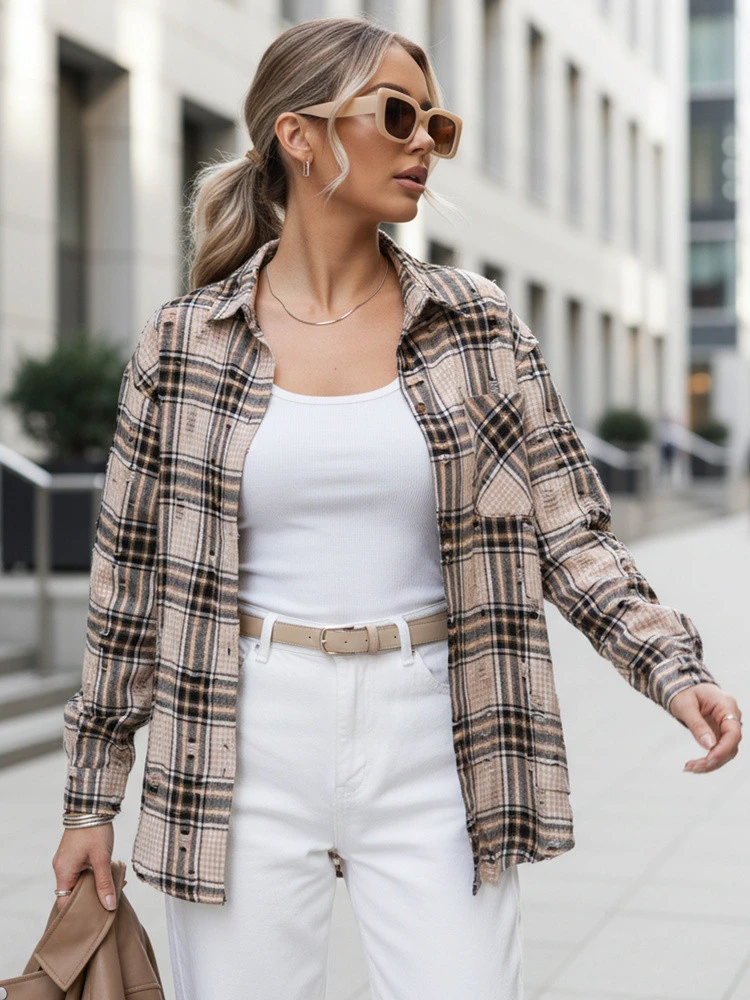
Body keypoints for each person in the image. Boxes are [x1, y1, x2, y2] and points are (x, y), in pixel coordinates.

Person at [52, 15, 742, 1000]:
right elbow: (126, 588)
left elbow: (569, 533)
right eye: (398, 115)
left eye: (438, 124)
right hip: (240, 735)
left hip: (437, 729)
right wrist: (90, 800)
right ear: (300, 136)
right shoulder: (184, 343)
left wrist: (672, 668)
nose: (426, 144)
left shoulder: (476, 324)